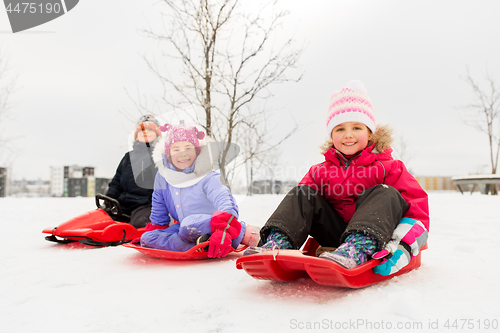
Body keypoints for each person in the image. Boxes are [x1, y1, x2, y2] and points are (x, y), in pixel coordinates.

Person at [244, 80, 429, 276]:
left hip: (376, 236)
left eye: (357, 127)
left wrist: (403, 245)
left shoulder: (389, 167)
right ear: (332, 135)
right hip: (336, 235)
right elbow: (298, 210)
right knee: (302, 193)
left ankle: (358, 247)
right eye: (340, 129)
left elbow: (416, 209)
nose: (348, 135)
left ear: (370, 132)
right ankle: (278, 243)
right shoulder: (320, 171)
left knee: (385, 193)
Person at [140, 122, 260, 258]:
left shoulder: (207, 175)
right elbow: (159, 206)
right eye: (176, 149)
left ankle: (238, 232)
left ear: (197, 151)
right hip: (184, 230)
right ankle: (203, 245)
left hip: (215, 226)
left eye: (188, 148)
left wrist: (223, 229)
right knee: (147, 238)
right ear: (168, 153)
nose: (182, 154)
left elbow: (225, 200)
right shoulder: (163, 176)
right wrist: (158, 231)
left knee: (187, 225)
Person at [105, 114, 161, 228]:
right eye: (142, 130)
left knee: (140, 224)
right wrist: (110, 197)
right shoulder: (128, 157)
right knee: (102, 219)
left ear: (157, 135)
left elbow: (161, 185)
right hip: (122, 204)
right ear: (136, 136)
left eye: (150, 129)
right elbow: (116, 181)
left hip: (145, 205)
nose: (145, 132)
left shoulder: (158, 156)